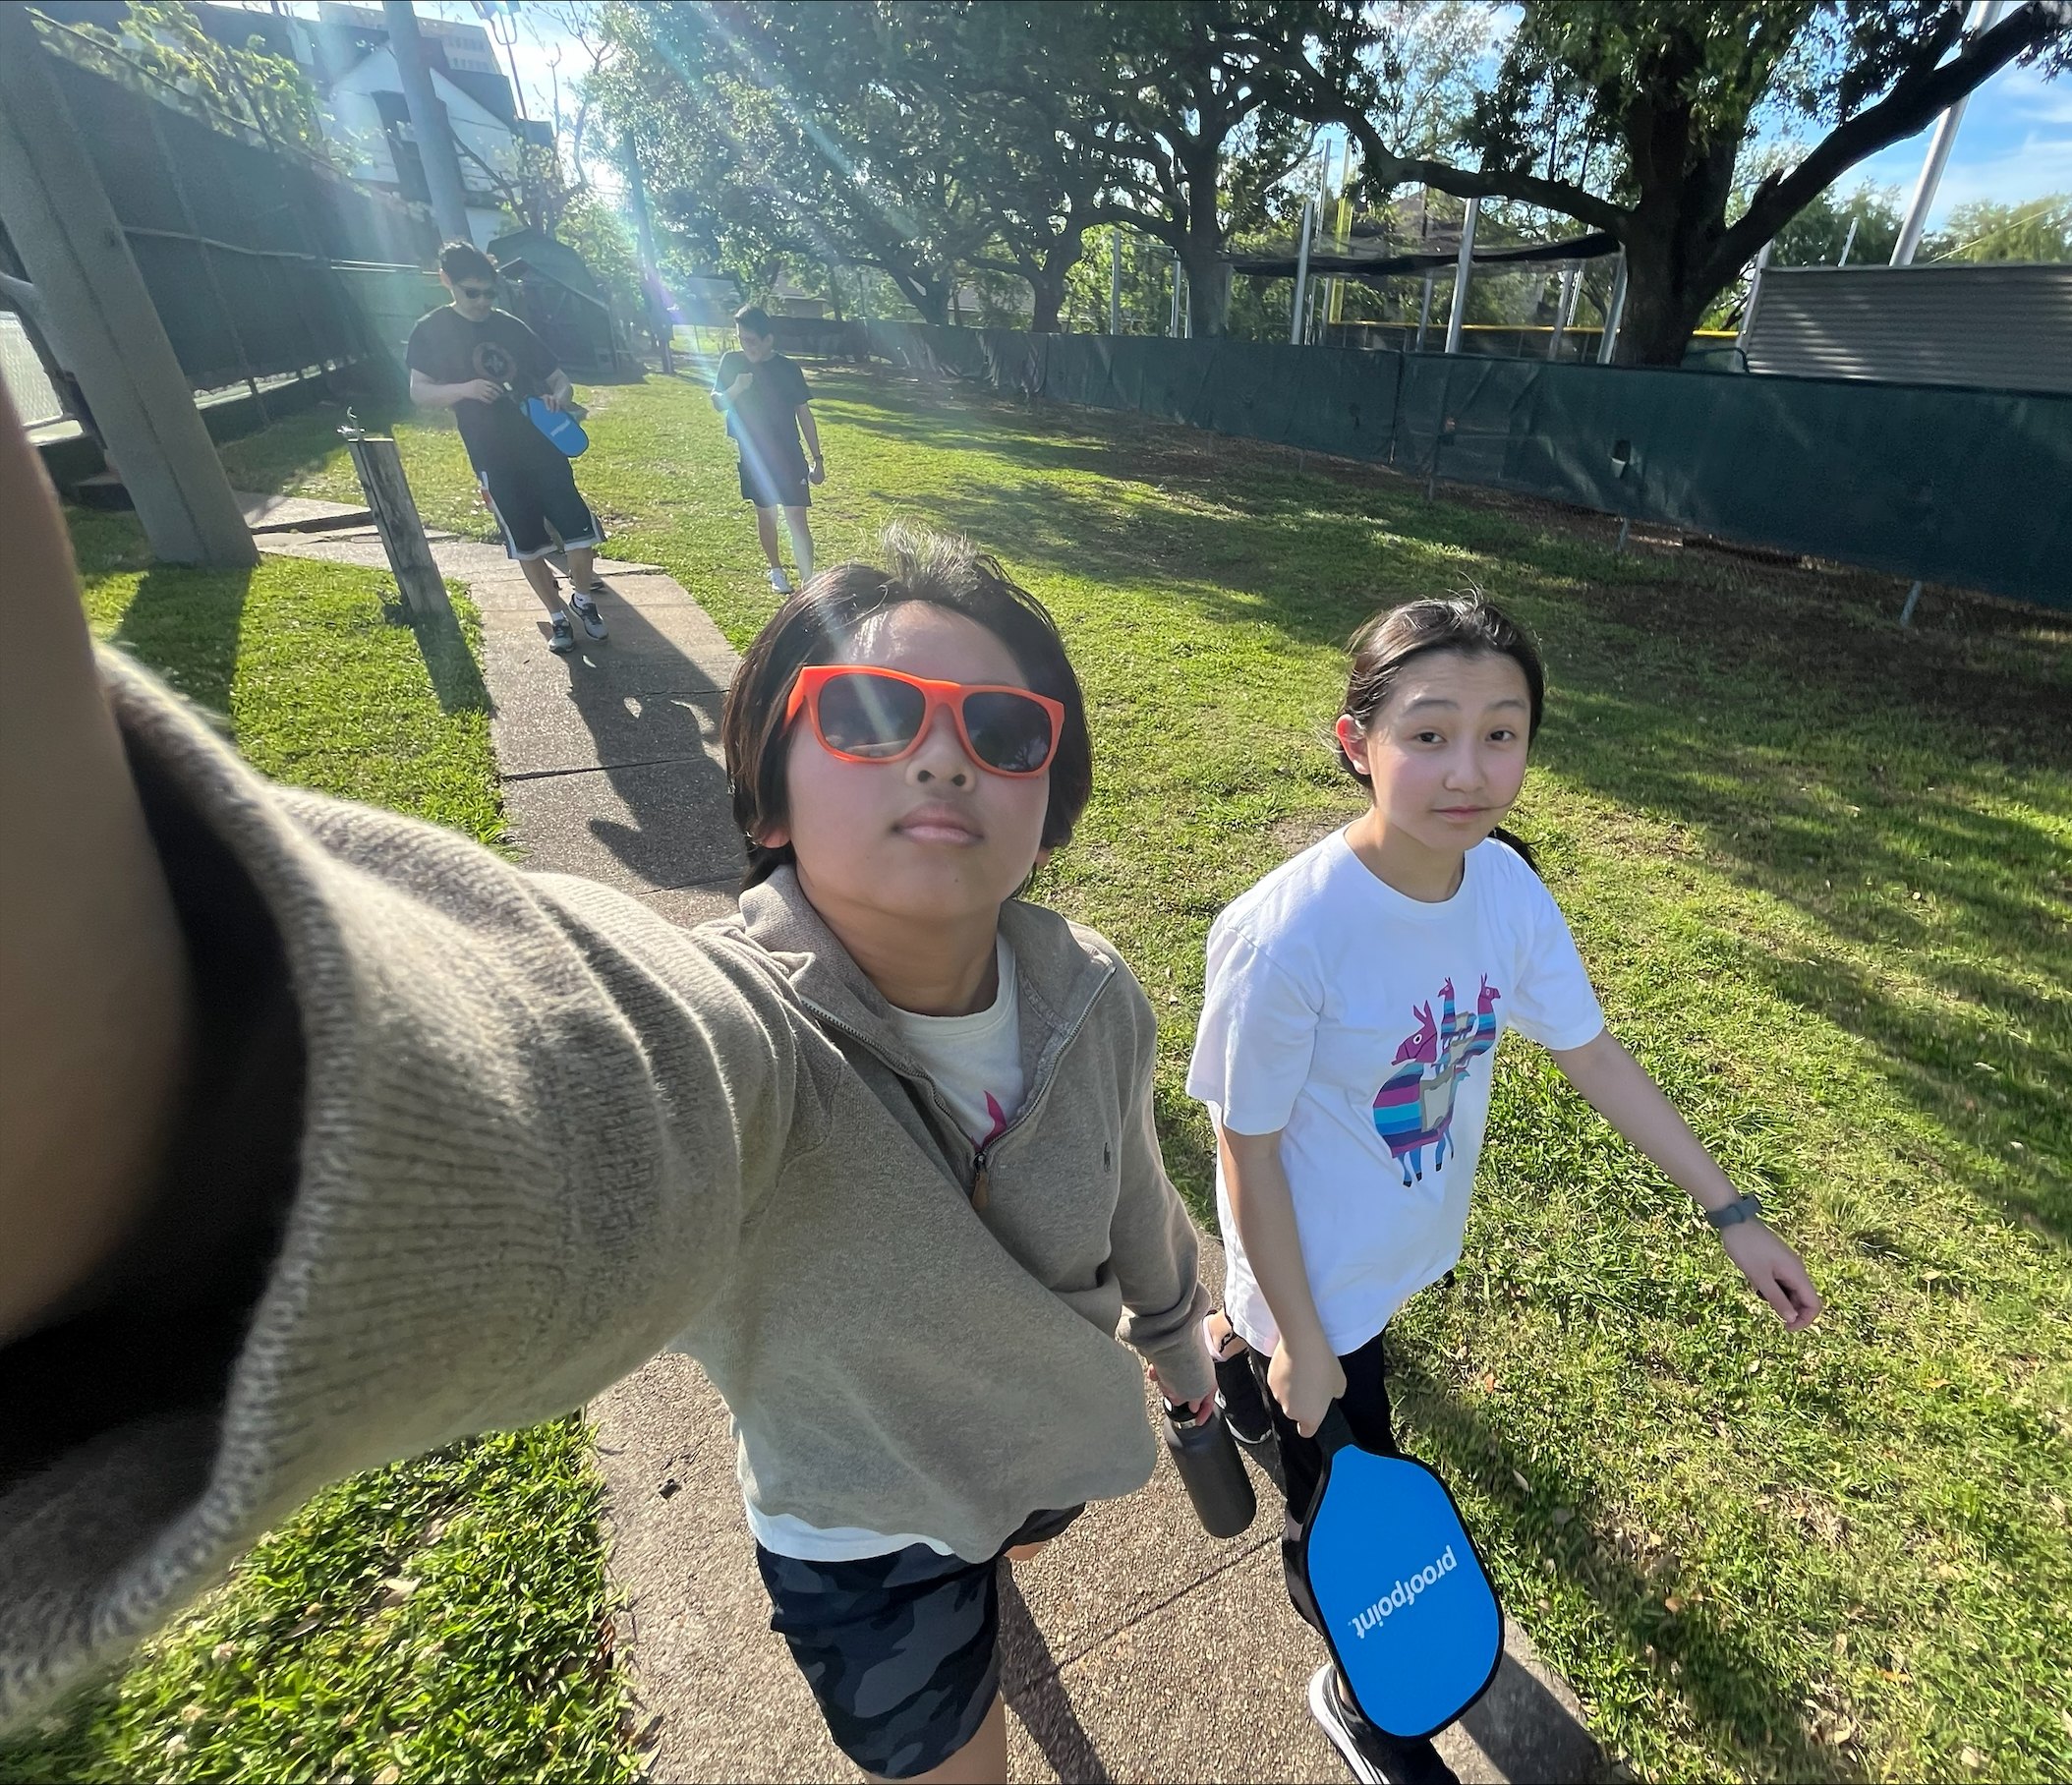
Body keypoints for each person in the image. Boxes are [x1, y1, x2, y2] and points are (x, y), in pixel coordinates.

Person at [0, 385, 1218, 1783]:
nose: (946, 751)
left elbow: (1139, 1202)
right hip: (858, 1536)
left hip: (1036, 1455)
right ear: (766, 794)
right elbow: (583, 1066)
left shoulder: (1096, 991)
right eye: (872, 712)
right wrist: (177, 1057)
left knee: (1011, 1548)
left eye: (1005, 733)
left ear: (1044, 810)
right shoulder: (741, 1032)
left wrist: (1186, 1370)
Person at [1185, 597, 1822, 1785]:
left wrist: (1731, 1214)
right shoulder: (1285, 936)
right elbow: (1247, 1151)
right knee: (1342, 1515)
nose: (1467, 771)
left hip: (1388, 1256)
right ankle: (1364, 1695)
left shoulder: (1502, 892)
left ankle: (1234, 1355)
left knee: (1304, 1391)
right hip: (1317, 1290)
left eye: (1501, 733)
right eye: (1427, 734)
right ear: (1352, 740)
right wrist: (1306, 1340)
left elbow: (1590, 1053)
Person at [406, 240, 613, 656]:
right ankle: (557, 616)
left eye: (489, 292)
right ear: (446, 281)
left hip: (543, 446)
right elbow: (419, 392)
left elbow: (560, 378)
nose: (482, 301)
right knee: (526, 542)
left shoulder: (511, 326)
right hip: (492, 455)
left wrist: (560, 396)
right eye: (472, 292)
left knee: (578, 532)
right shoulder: (430, 331)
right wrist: (463, 389)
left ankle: (583, 601)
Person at [714, 303, 826, 593]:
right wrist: (736, 388)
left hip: (789, 453)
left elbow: (804, 413)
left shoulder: (788, 369)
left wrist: (818, 457)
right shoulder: (732, 362)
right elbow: (717, 401)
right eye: (741, 339)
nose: (745, 345)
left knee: (797, 517)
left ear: (768, 340)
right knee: (767, 515)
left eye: (751, 340)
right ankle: (776, 571)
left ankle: (807, 581)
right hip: (753, 456)